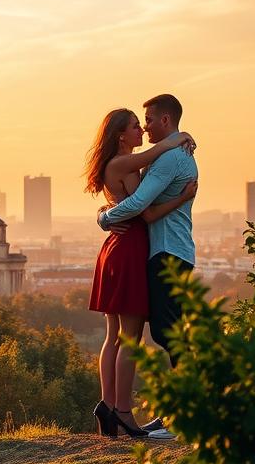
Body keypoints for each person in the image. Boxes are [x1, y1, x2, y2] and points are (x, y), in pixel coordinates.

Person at [84, 107, 197, 439]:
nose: (142, 130)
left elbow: (148, 162)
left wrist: (104, 213)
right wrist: (182, 196)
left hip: (115, 251)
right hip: (130, 249)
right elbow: (146, 215)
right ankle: (122, 412)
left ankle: (108, 407)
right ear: (121, 135)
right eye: (136, 125)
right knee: (129, 339)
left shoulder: (118, 165)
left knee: (113, 337)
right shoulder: (124, 163)